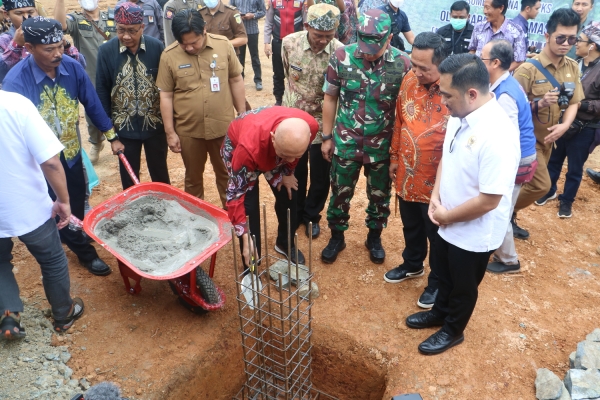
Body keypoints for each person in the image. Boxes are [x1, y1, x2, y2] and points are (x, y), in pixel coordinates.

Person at [405, 54, 519, 355]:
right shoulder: (461, 114)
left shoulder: (498, 134)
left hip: (472, 230)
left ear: (471, 93)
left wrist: (447, 215)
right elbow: (448, 154)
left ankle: (453, 330)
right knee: (442, 272)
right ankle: (439, 313)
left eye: (447, 95)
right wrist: (435, 197)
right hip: (447, 216)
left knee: (463, 285)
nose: (443, 102)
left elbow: (489, 200)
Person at [3, 17, 123, 277]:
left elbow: (92, 104)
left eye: (60, 45)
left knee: (75, 200)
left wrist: (112, 137)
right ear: (30, 48)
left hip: (70, 154)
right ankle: (84, 252)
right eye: (49, 49)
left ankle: (74, 233)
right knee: (51, 206)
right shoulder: (15, 82)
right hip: (38, 164)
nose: (57, 53)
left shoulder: (72, 68)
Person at [320, 9, 411, 265]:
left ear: (390, 37)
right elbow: (330, 97)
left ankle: (374, 236)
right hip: (346, 142)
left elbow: (405, 110)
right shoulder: (342, 56)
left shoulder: (403, 64)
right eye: (365, 45)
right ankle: (337, 236)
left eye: (375, 47)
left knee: (380, 195)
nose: (368, 52)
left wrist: (398, 150)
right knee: (339, 192)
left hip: (381, 146)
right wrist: (327, 137)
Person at [0, 91, 85, 338]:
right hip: (28, 207)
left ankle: (9, 315)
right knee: (52, 259)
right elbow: (50, 162)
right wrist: (64, 201)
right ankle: (63, 313)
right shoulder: (16, 105)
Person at [157, 9, 246, 207]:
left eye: (194, 42)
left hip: (222, 127)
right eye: (184, 44)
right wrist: (170, 132)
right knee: (193, 179)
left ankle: (233, 222)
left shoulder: (223, 46)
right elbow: (166, 95)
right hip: (189, 130)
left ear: (204, 30)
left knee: (226, 175)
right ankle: (198, 227)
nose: (189, 48)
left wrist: (242, 116)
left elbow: (235, 79)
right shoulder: (169, 56)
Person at [385, 32, 449, 309]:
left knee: (436, 231)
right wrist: (395, 156)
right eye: (414, 64)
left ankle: (437, 280)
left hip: (438, 178)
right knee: (410, 223)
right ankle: (412, 263)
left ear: (442, 64)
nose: (417, 72)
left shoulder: (453, 88)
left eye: (424, 68)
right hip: (407, 172)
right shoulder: (409, 79)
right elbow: (400, 119)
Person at [512, 8, 584, 239]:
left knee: (524, 184)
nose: (566, 43)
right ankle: (501, 212)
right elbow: (510, 110)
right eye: (560, 38)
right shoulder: (527, 70)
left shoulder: (572, 67)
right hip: (527, 141)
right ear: (547, 35)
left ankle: (507, 216)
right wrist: (539, 104)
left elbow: (574, 102)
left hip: (549, 142)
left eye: (572, 39)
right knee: (541, 186)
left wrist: (564, 126)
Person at [221, 107, 319, 266]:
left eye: (296, 155)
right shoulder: (247, 150)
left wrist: (288, 172)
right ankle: (251, 263)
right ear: (273, 138)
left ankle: (285, 243)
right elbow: (235, 195)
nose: (291, 159)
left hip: (273, 149)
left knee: (289, 193)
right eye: (285, 156)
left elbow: (291, 156)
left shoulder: (309, 127)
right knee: (249, 209)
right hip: (245, 149)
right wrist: (244, 235)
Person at [281, 4, 343, 239]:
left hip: (323, 121)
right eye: (318, 35)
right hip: (293, 119)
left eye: (328, 36)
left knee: (320, 173)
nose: (322, 41)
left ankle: (311, 216)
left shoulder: (340, 52)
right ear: (307, 26)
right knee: (294, 169)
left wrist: (330, 133)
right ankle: (296, 213)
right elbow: (286, 76)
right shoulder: (289, 43)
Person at [96, 2, 170, 190]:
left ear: (142, 28)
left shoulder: (156, 47)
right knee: (129, 180)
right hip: (124, 130)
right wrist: (111, 136)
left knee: (160, 174)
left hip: (155, 126)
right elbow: (102, 91)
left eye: (132, 31)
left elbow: (166, 88)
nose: (126, 36)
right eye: (121, 30)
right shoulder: (106, 51)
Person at [482, 40, 537, 274]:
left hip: (517, 162)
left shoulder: (504, 95)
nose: (478, 60)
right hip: (523, 158)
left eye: (482, 58)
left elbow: (507, 137)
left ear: (495, 63)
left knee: (500, 208)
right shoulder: (506, 84)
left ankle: (509, 260)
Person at [537, 22, 600, 219]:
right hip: (564, 121)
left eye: (578, 40)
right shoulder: (573, 63)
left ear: (592, 45)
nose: (574, 44)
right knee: (554, 160)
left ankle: (567, 201)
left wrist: (579, 104)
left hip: (585, 127)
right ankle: (549, 190)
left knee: (574, 167)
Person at [54, 0, 117, 164]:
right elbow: (60, 25)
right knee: (92, 112)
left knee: (118, 107)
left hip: (114, 73)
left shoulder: (111, 17)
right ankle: (96, 143)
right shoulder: (75, 19)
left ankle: (119, 140)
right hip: (91, 75)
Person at [0, 0, 85, 82]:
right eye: (19, 13)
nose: (26, 17)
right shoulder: (4, 41)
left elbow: (81, 64)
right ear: (7, 15)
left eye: (30, 12)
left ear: (36, 12)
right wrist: (16, 45)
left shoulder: (50, 34)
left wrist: (66, 46)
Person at [263, 0, 305, 106]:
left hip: (296, 45)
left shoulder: (302, 2)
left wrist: (304, 44)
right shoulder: (273, 1)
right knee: (278, 73)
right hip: (278, 42)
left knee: (296, 73)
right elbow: (268, 22)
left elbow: (306, 24)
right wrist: (266, 42)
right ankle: (279, 99)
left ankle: (296, 99)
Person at [468, 0, 527, 72]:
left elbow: (519, 60)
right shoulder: (479, 27)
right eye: (484, 7)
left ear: (501, 8)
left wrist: (500, 74)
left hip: (501, 81)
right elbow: (472, 50)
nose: (485, 11)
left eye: (487, 8)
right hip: (478, 78)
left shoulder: (516, 31)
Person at [230, 0, 266, 91]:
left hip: (252, 31)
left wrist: (253, 15)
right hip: (239, 32)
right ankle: (240, 79)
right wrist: (237, 13)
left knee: (254, 56)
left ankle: (258, 80)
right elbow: (230, 9)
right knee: (239, 57)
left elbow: (263, 11)